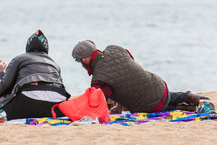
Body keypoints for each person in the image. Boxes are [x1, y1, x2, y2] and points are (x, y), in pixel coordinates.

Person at [71, 40, 205, 114]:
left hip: (150, 105)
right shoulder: (115, 49)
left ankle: (183, 108)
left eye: (78, 61)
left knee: (155, 104)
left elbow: (99, 107)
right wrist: (119, 105)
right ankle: (186, 96)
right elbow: (127, 73)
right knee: (159, 94)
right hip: (159, 85)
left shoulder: (99, 80)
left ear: (84, 59)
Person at [0, 30, 70, 120]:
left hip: (29, 103)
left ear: (28, 47)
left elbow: (5, 85)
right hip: (57, 106)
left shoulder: (19, 59)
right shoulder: (54, 64)